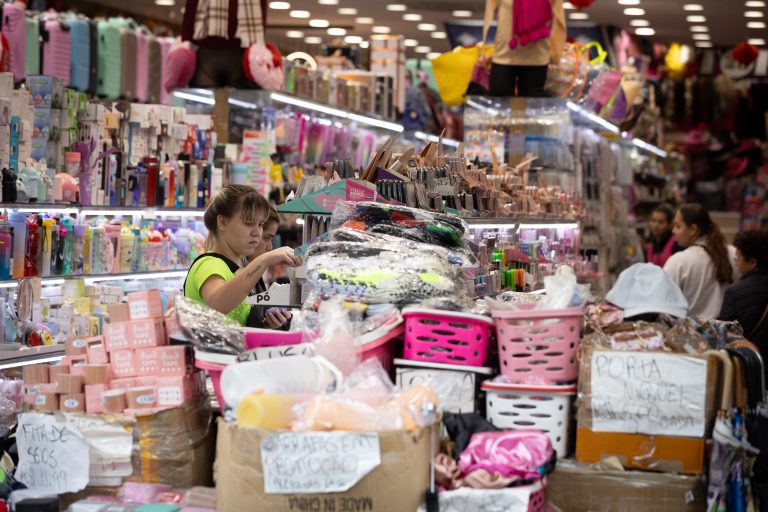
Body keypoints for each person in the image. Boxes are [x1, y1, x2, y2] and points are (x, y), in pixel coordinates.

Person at [183, 185, 301, 327]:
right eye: (249, 223)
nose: (257, 232)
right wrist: (264, 259)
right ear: (223, 222)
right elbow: (217, 306)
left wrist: (266, 324)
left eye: (260, 224)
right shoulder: (209, 264)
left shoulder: (239, 269)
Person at [663, 203, 739, 319]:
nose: (673, 231)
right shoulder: (734, 254)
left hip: (690, 334)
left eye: (678, 226)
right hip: (729, 332)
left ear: (693, 229)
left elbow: (664, 305)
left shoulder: (679, 261)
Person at [718, 231, 768, 350]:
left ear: (752, 263)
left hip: (750, 359)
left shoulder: (735, 291)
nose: (737, 263)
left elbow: (724, 332)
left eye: (738, 259)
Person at [246, 206, 292, 330]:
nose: (270, 247)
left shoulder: (253, 273)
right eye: (267, 238)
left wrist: (268, 324)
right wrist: (266, 259)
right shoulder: (215, 267)